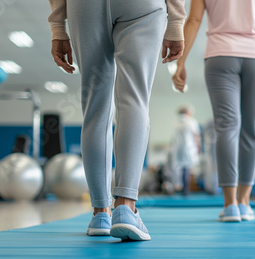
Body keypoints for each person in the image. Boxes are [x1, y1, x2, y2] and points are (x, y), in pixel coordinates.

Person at [48, 0, 186, 241]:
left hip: (85, 6)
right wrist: (176, 19)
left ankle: (100, 212)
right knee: (134, 98)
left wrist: (58, 25)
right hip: (142, 6)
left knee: (95, 106)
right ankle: (125, 207)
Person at [172, 0, 255, 222]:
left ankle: (230, 205)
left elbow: (194, 20)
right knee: (251, 127)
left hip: (220, 55)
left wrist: (181, 63)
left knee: (226, 127)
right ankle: (245, 203)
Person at [170, 104, 201, 195]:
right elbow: (196, 135)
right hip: (188, 147)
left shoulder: (176, 122)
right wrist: (199, 147)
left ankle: (181, 188)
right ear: (188, 112)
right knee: (187, 168)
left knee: (179, 169)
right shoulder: (191, 121)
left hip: (178, 148)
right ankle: (186, 190)